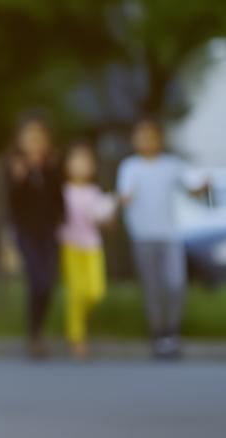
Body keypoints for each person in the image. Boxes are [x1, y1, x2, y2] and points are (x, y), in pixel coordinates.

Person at [117, 117, 207, 359]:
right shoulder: (130, 167)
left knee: (175, 283)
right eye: (141, 136)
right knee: (153, 287)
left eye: (151, 135)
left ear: (160, 138)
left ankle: (172, 331)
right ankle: (158, 335)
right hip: (143, 235)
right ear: (134, 140)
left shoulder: (171, 165)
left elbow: (192, 190)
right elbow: (123, 196)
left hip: (169, 235)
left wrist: (203, 188)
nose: (146, 140)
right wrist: (120, 201)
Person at [4, 112, 64, 358]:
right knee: (36, 279)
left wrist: (48, 169)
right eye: (29, 137)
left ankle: (38, 330)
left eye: (40, 137)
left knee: (48, 281)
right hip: (25, 231)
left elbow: (59, 198)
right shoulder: (13, 165)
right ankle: (33, 334)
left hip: (49, 231)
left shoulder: (52, 166)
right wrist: (21, 177)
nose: (35, 141)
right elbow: (12, 201)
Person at [59, 142, 117, 360]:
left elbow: (105, 221)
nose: (81, 166)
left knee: (95, 291)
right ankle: (77, 338)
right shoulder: (63, 192)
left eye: (86, 161)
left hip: (92, 247)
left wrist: (111, 212)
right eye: (76, 160)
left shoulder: (95, 193)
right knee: (75, 294)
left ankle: (81, 323)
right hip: (70, 246)